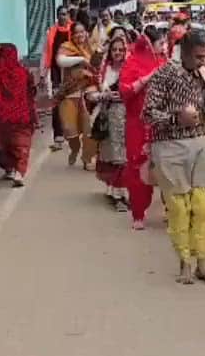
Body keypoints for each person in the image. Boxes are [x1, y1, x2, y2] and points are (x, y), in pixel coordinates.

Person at [143, 30, 205, 285]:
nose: (204, 62)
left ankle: (202, 261)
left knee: (204, 206)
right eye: (199, 57)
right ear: (185, 52)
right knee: (180, 208)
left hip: (200, 142)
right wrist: (176, 118)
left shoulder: (204, 74)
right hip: (170, 145)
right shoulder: (164, 74)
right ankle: (185, 264)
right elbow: (147, 114)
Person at [121, 27, 168, 230]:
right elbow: (125, 90)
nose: (163, 47)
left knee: (167, 167)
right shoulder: (132, 63)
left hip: (162, 123)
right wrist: (149, 77)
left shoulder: (165, 62)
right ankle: (138, 213)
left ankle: (172, 209)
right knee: (138, 167)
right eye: (160, 44)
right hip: (138, 124)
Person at [0, 44, 38, 187]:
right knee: (21, 144)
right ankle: (19, 172)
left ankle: (10, 169)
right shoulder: (23, 72)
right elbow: (31, 93)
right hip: (21, 115)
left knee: (4, 144)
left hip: (0, 117)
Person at [91, 30, 130, 210]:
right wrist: (104, 95)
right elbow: (91, 94)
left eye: (121, 50)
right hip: (109, 116)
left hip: (127, 115)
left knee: (126, 156)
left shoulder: (130, 69)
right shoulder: (103, 71)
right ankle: (116, 192)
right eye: (114, 50)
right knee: (114, 157)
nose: (118, 53)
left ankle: (122, 192)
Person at [56, 21, 98, 169]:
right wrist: (81, 59)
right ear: (71, 35)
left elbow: (98, 67)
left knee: (89, 129)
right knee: (70, 131)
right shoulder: (66, 47)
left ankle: (87, 159)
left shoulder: (91, 49)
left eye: (82, 31)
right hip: (70, 93)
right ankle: (74, 148)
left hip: (88, 93)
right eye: (76, 32)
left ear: (86, 33)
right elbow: (60, 61)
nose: (80, 35)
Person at [41, 13, 73, 151]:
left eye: (65, 14)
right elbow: (45, 52)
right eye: (60, 14)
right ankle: (58, 137)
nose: (63, 17)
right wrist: (43, 72)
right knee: (56, 104)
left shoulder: (75, 30)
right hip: (55, 74)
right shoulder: (51, 32)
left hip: (72, 74)